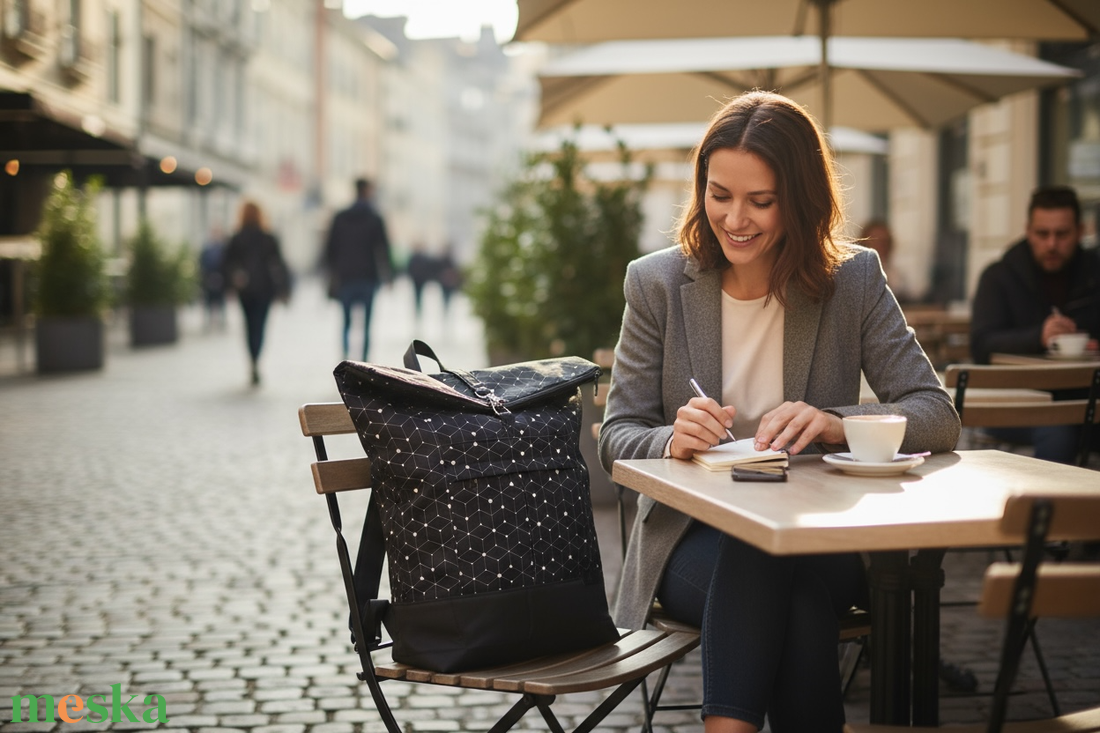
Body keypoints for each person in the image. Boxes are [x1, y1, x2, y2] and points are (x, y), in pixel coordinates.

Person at [598, 91, 960, 733]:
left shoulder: (852, 281)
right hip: (693, 540)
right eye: (719, 195)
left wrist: (833, 422)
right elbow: (617, 437)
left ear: (800, 198)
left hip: (821, 538)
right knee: (778, 577)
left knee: (777, 560)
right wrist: (672, 441)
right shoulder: (655, 284)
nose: (734, 219)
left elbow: (936, 413)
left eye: (760, 202)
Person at [970, 185, 1100, 463]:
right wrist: (1038, 336)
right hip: (1015, 402)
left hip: (1088, 399)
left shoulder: (1094, 273)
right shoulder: (999, 277)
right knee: (1059, 433)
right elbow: (981, 345)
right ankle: (1050, 507)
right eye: (1043, 234)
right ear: (1028, 231)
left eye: (1062, 234)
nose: (1052, 244)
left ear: (1080, 231)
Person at [222, 200, 290, 386]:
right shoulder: (268, 237)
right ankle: (256, 359)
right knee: (260, 326)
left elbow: (227, 264)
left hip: (245, 289)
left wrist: (232, 283)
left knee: (249, 325)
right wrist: (284, 289)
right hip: (265, 289)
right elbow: (279, 265)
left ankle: (252, 360)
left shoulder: (237, 238)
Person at [324, 178, 393, 360]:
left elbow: (330, 248)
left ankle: (346, 357)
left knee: (346, 322)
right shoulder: (375, 217)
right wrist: (389, 276)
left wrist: (333, 271)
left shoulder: (340, 217)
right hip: (368, 277)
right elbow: (383, 249)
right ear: (368, 191)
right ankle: (364, 360)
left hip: (345, 277)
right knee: (367, 324)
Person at [860, 218, 918, 303]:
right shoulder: (858, 275)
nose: (883, 246)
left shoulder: (898, 276)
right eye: (877, 241)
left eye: (885, 242)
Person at [199, 225, 227, 331]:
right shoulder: (206, 249)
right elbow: (202, 263)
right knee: (208, 300)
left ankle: (221, 321)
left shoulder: (223, 248)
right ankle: (208, 321)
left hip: (221, 277)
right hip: (209, 277)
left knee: (221, 300)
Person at [406, 242, 435, 319]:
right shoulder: (416, 258)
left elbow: (426, 270)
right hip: (417, 280)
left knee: (418, 295)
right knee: (417, 295)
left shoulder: (419, 258)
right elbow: (410, 269)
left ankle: (418, 309)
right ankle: (417, 309)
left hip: (420, 280)